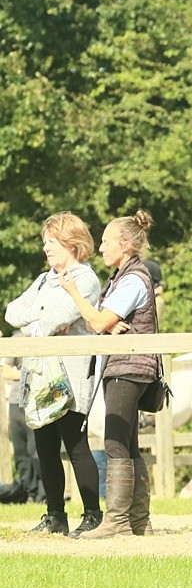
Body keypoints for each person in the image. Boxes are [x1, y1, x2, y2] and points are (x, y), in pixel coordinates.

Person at [59, 210, 160, 538]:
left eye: (106, 242)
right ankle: (137, 521)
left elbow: (97, 322)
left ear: (126, 246)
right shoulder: (125, 276)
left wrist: (74, 294)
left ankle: (116, 521)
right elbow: (104, 322)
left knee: (115, 442)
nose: (100, 248)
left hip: (127, 367)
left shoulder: (131, 279)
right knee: (129, 443)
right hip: (131, 366)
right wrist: (105, 321)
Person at [4, 212, 103, 535]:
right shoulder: (45, 278)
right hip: (41, 373)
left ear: (71, 243)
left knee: (75, 444)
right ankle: (55, 515)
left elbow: (61, 317)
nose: (46, 248)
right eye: (45, 242)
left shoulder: (85, 278)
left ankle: (92, 515)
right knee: (45, 446)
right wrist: (41, 319)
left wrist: (40, 322)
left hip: (71, 374)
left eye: (51, 242)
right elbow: (11, 312)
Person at [1, 332, 43, 503]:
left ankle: (42, 493)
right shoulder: (16, 339)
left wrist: (20, 372)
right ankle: (27, 492)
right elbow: (6, 372)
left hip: (36, 401)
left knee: (36, 451)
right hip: (15, 401)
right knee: (21, 452)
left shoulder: (42, 337)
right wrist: (28, 373)